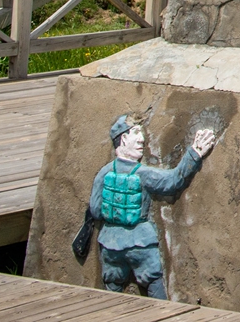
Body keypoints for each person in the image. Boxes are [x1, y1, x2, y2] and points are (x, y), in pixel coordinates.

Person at [86, 115, 216, 297]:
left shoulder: (103, 173)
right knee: (156, 292)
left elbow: (96, 209)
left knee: (111, 292)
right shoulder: (142, 174)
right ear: (123, 139)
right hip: (141, 243)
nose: (142, 140)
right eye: (136, 134)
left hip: (109, 244)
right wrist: (195, 153)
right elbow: (173, 181)